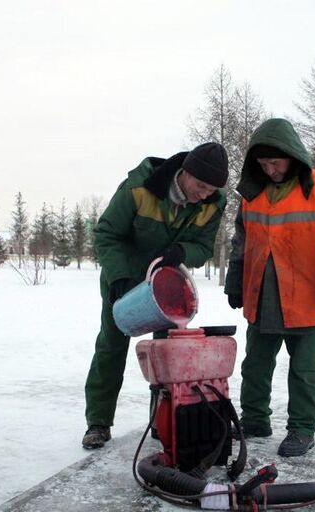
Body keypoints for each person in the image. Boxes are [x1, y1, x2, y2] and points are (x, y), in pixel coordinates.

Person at [224, 118, 315, 457]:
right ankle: (255, 419)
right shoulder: (251, 196)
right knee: (255, 365)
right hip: (261, 296)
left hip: (306, 300)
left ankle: (301, 430)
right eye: (263, 163)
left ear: (292, 155)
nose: (270, 169)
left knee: (303, 372)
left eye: (276, 162)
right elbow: (241, 244)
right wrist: (235, 283)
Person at [82, 142, 228, 450]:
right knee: (111, 346)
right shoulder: (139, 188)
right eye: (200, 186)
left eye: (210, 189)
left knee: (168, 353)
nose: (204, 194)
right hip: (124, 278)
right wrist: (119, 277)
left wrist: (182, 251)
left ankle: (163, 419)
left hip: (167, 284)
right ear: (184, 172)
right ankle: (98, 422)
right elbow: (107, 233)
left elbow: (203, 247)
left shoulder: (214, 203)